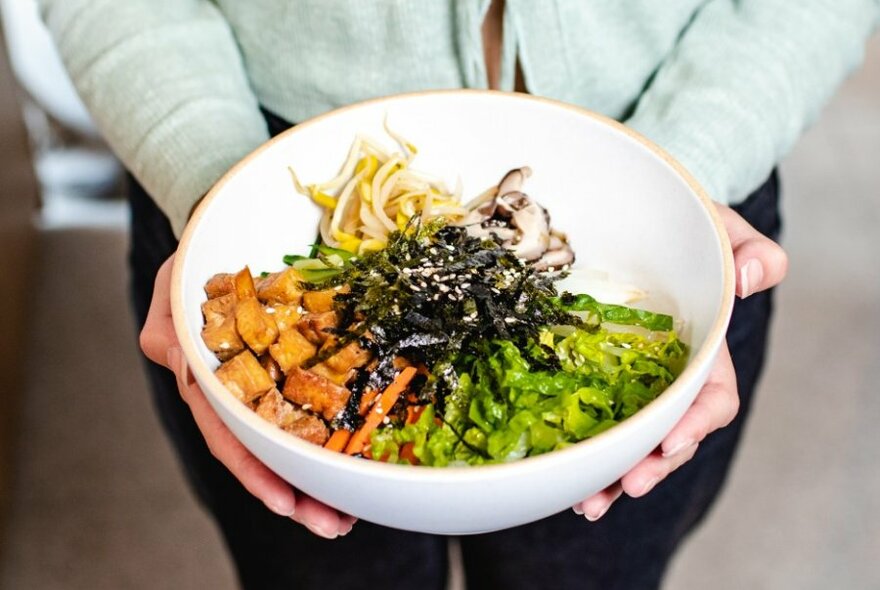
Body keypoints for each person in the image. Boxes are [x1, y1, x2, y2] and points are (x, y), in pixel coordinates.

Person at [38, 1, 878, 588]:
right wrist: (218, 190)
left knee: (594, 572)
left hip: (684, 165)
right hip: (264, 174)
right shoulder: (249, 224)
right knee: (317, 571)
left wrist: (683, 178)